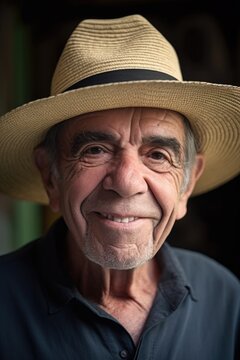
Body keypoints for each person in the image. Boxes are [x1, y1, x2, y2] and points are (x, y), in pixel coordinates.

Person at [0, 14, 239, 360]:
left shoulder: (226, 298)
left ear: (188, 183)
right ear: (51, 175)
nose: (127, 183)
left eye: (157, 155)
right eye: (94, 150)